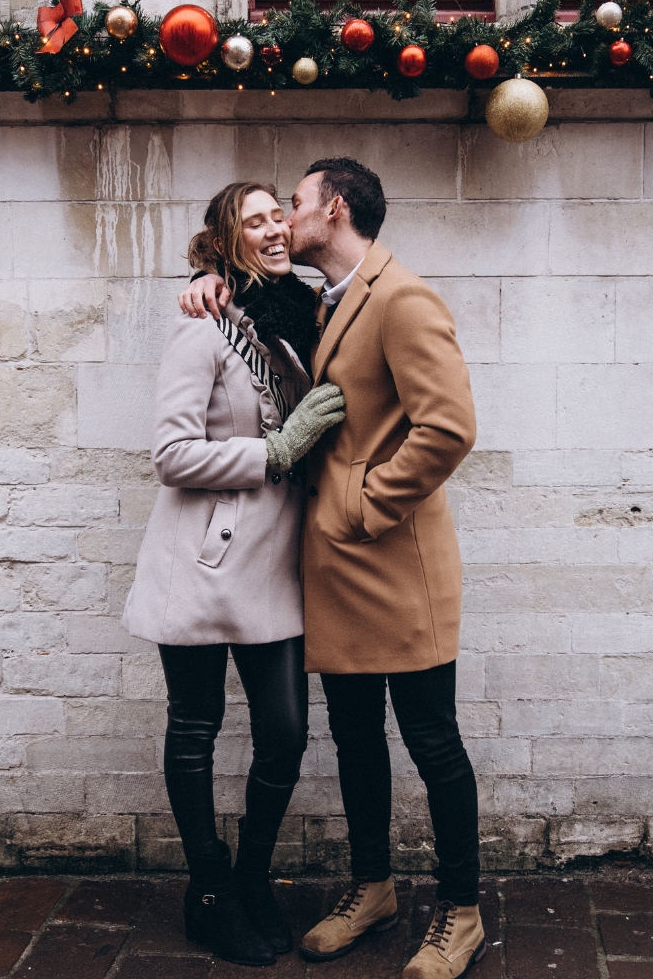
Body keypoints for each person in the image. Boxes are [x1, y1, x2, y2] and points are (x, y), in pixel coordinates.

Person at [179, 158, 483, 979]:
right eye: (270, 212)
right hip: (338, 574)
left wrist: (364, 504)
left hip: (396, 563)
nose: (287, 216)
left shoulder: (402, 297)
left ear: (335, 209)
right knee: (355, 739)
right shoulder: (322, 301)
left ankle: (461, 911)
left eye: (298, 203)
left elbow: (448, 426)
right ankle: (373, 887)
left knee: (432, 740)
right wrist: (212, 277)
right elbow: (256, 307)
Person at [122, 181, 346, 968]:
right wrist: (273, 453)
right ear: (227, 240)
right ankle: (210, 890)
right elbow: (171, 455)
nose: (274, 228)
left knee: (285, 732)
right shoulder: (204, 326)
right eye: (253, 221)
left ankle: (251, 877)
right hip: (202, 559)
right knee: (195, 728)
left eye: (277, 214)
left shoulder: (294, 323)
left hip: (274, 566)